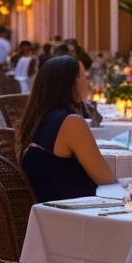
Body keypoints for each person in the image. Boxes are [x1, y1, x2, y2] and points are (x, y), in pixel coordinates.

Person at [17, 55, 117, 203]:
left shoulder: (38, 118)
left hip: (51, 208)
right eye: (84, 76)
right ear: (73, 81)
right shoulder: (70, 122)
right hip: (75, 212)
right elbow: (106, 179)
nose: (88, 82)